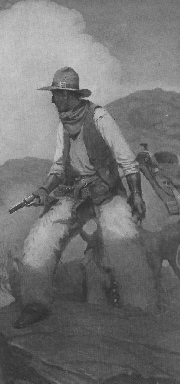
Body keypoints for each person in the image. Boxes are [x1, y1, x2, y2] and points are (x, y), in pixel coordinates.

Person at [14, 67, 149, 329]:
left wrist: (137, 195)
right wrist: (43, 190)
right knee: (41, 237)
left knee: (123, 240)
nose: (54, 101)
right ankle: (35, 303)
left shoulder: (100, 118)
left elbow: (127, 161)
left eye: (58, 95)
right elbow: (57, 168)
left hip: (106, 192)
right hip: (75, 194)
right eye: (54, 95)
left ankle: (140, 309)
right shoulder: (62, 127)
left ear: (70, 95)